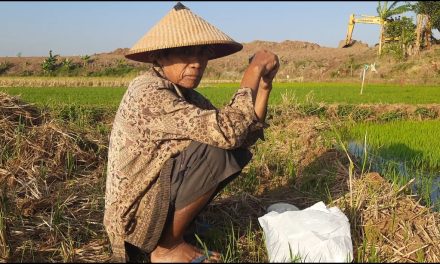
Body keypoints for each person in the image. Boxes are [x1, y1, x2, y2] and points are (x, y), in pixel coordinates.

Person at [103, 2, 279, 263]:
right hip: (132, 221)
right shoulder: (148, 92)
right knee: (217, 149)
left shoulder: (187, 96)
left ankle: (175, 231)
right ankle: (166, 247)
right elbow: (227, 132)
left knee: (228, 146)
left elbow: (244, 134)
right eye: (185, 53)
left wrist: (263, 87)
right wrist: (252, 72)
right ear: (158, 58)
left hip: (153, 204)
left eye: (202, 54)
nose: (197, 63)